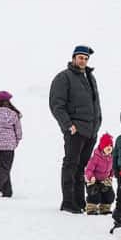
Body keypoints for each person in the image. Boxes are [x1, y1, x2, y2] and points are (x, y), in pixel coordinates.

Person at [49, 45, 102, 214]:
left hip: (91, 130)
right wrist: (68, 125)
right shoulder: (63, 77)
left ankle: (80, 201)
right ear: (73, 58)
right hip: (75, 129)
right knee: (71, 165)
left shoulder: (90, 77)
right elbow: (57, 105)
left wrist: (97, 123)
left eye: (86, 59)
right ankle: (68, 202)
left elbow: (94, 103)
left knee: (83, 167)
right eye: (80, 58)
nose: (83, 61)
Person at [83, 133, 115, 215]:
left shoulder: (112, 158)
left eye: (111, 146)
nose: (109, 148)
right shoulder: (96, 158)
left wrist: (111, 176)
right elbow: (88, 169)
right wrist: (91, 177)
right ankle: (91, 209)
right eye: (106, 146)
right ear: (102, 147)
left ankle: (104, 208)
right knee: (94, 194)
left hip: (104, 180)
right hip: (93, 181)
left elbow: (112, 169)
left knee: (109, 194)